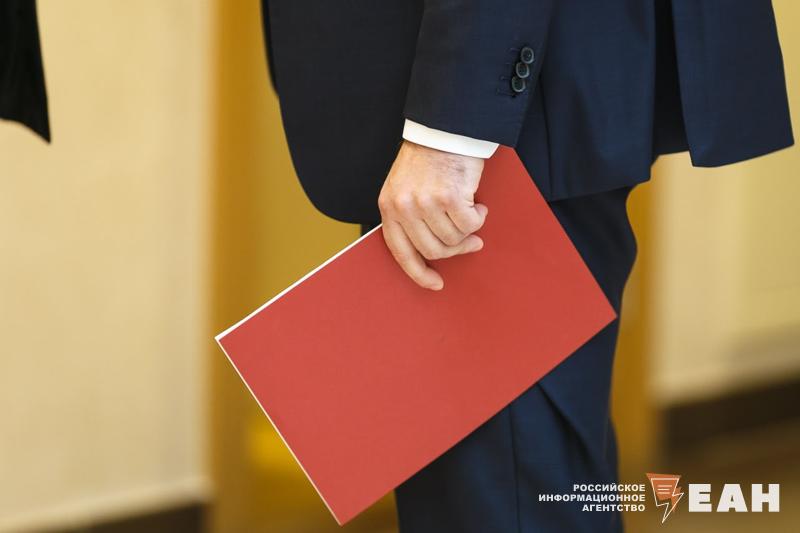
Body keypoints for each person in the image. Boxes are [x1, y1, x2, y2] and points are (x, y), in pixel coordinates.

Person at [261, 0, 792, 531]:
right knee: (496, 490)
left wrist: (451, 133)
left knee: (507, 495)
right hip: (479, 105)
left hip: (501, 122)